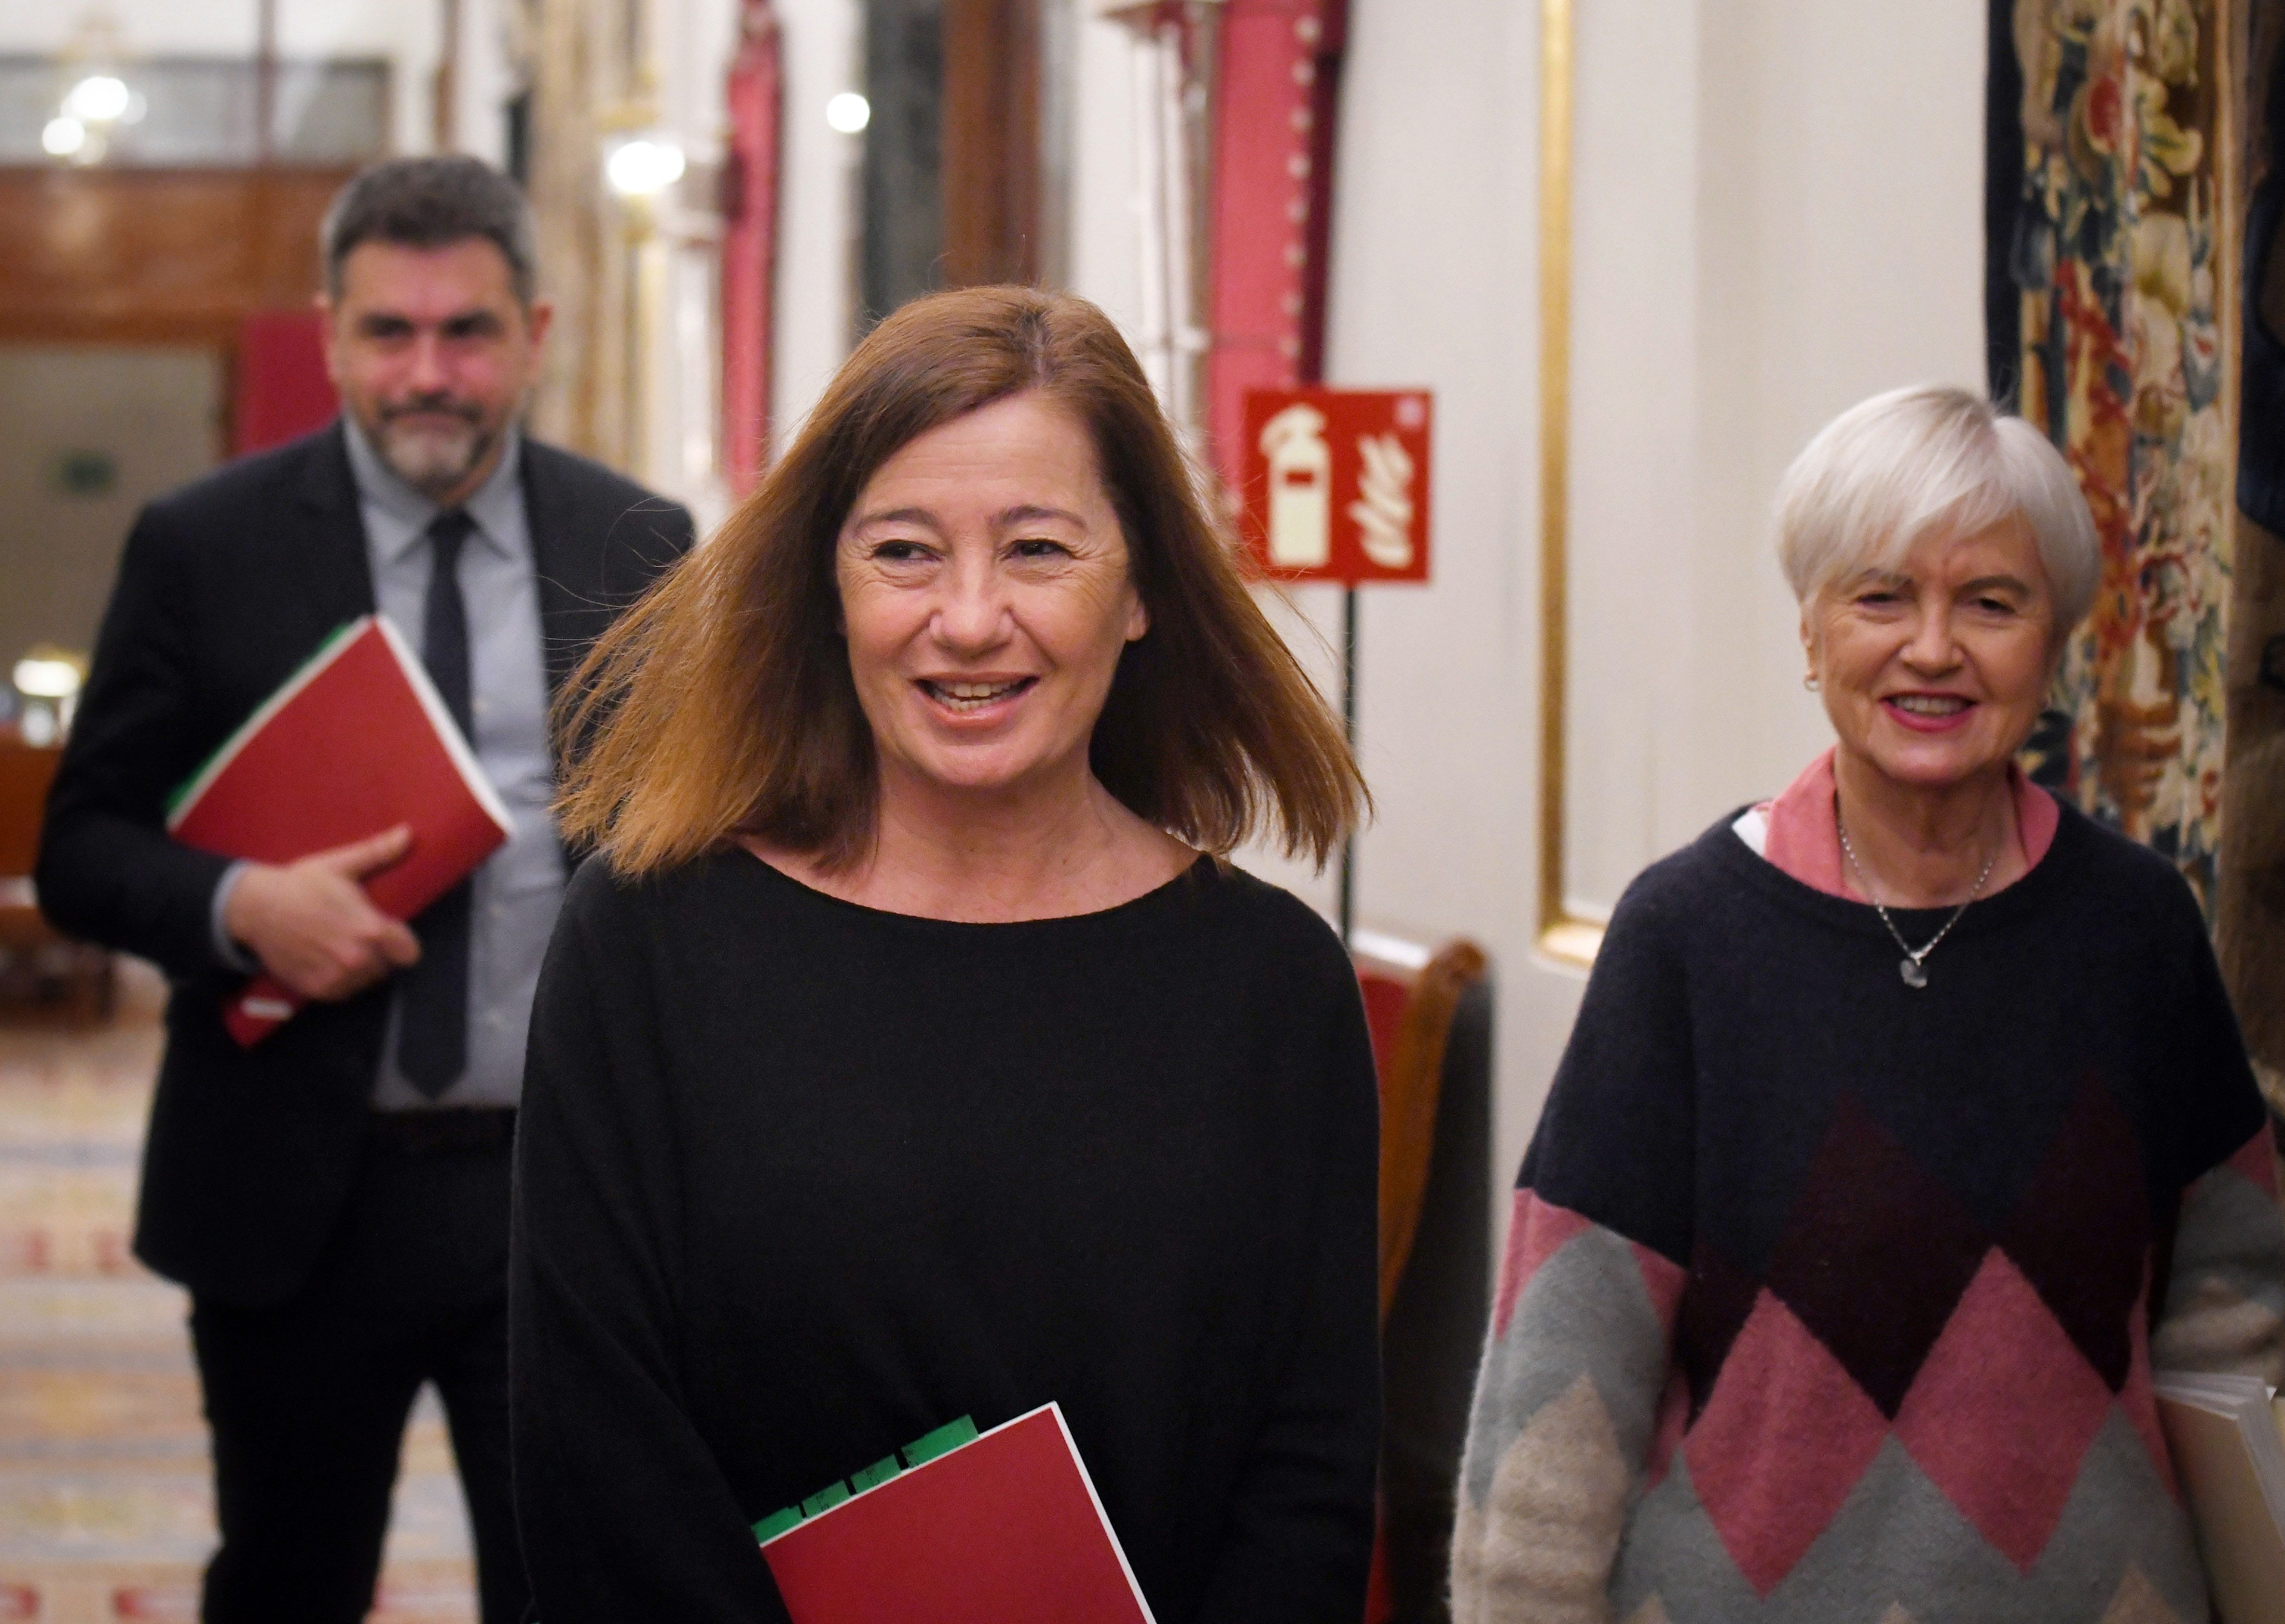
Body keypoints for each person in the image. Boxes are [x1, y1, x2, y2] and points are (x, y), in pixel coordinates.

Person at [511, 285, 1381, 1622]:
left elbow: (1308, 1465)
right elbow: (593, 1451)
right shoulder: (649, 945)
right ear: (826, 589)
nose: (969, 621)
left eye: (1037, 550)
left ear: (1140, 587)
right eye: (905, 553)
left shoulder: (1269, 984)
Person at [1451, 386, 2285, 1623]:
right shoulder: (1685, 937)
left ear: (2052, 644)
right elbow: (1562, 1382)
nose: (1932, 647)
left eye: (1989, 603)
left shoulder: (2137, 931)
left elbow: (2230, 1338)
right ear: (1808, 634)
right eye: (1879, 596)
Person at [36, 156, 692, 1624]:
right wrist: (237, 906)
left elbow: (689, 850)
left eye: (465, 333)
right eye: (389, 335)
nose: (428, 375)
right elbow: (82, 846)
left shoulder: (637, 547)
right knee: (285, 1582)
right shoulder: (204, 547)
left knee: (575, 1591)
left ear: (534, 332)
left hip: (561, 1199)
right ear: (331, 334)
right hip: (296, 1195)